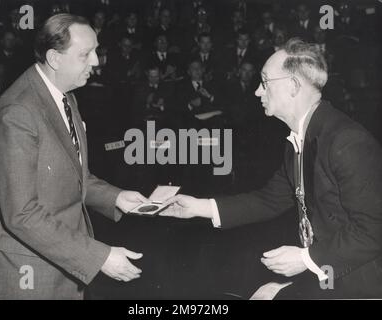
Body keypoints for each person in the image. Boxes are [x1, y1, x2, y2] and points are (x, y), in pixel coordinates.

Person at [163, 38, 382, 299]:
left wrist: (306, 258)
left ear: (293, 86)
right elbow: (269, 200)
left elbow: (374, 230)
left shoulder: (345, 141)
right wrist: (198, 207)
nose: (257, 91)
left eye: (265, 82)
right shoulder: (300, 138)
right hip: (330, 275)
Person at [0, 14, 150, 300]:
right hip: (27, 276)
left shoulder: (63, 93)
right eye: (86, 54)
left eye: (96, 51)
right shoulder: (17, 114)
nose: (96, 62)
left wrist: (115, 197)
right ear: (55, 59)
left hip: (59, 261)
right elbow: (22, 215)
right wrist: (100, 257)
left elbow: (66, 172)